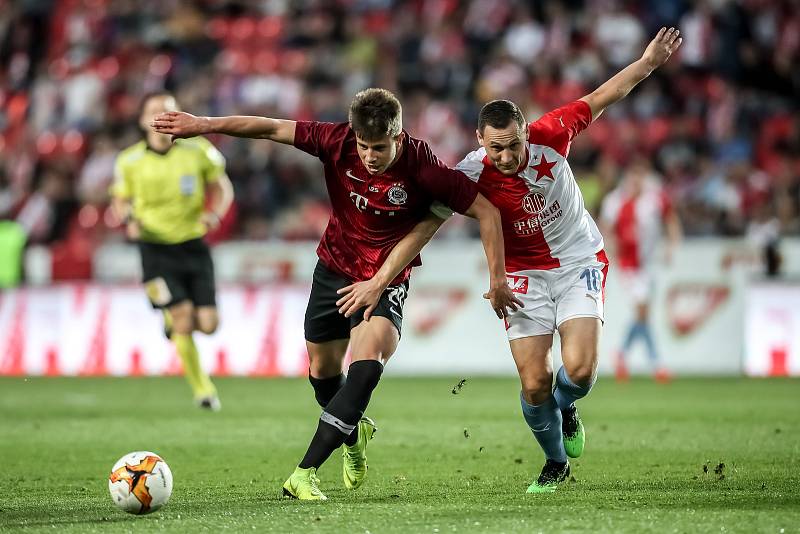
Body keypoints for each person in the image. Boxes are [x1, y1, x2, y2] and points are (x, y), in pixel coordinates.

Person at [346, 28, 682, 494]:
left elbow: (607, 93)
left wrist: (648, 62)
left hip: (576, 259)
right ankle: (555, 463)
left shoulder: (554, 132)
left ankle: (569, 408)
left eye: (514, 145)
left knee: (580, 372)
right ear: (480, 139)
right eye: (495, 147)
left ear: (527, 133)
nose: (505, 156)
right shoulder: (468, 173)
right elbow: (427, 225)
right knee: (534, 384)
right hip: (522, 276)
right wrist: (383, 274)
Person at [151, 87, 520, 500]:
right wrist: (203, 125)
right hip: (334, 269)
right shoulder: (337, 141)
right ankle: (354, 433)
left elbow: (487, 212)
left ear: (398, 137)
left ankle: (303, 474)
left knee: (366, 367)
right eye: (364, 146)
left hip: (385, 280)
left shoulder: (425, 169)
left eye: (379, 147)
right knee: (323, 375)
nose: (369, 156)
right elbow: (270, 128)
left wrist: (498, 280)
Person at [111, 91, 234, 412]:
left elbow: (222, 186)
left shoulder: (198, 151)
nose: (162, 115)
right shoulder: (129, 161)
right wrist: (127, 218)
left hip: (193, 245)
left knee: (208, 324)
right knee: (182, 320)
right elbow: (120, 200)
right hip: (153, 249)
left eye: (169, 110)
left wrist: (215, 212)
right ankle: (203, 390)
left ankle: (173, 320)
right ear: (142, 120)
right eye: (154, 111)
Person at [599, 157, 681, 383]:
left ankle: (622, 354)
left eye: (640, 177)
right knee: (643, 312)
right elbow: (604, 228)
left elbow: (671, 219)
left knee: (642, 315)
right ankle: (657, 364)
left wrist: (672, 245)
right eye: (633, 177)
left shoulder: (654, 199)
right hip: (628, 266)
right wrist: (612, 253)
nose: (636, 182)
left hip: (649, 263)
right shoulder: (615, 201)